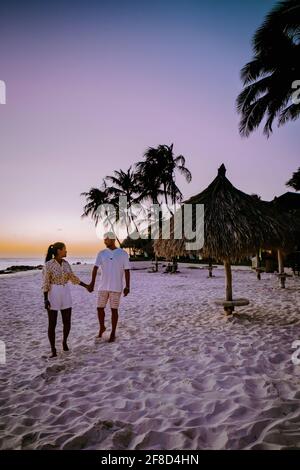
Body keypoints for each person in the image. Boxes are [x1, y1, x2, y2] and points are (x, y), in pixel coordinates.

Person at [42, 242, 91, 357]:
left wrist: (86, 286)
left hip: (65, 292)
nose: (66, 251)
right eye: (65, 249)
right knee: (52, 323)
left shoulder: (66, 263)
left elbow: (72, 278)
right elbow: (45, 283)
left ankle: (64, 342)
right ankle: (53, 349)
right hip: (53, 292)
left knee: (67, 321)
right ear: (59, 251)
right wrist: (45, 299)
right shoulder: (48, 265)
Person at [88, 232, 130, 342]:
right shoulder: (101, 253)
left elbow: (127, 270)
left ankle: (113, 332)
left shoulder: (123, 253)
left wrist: (127, 286)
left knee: (114, 310)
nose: (104, 241)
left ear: (112, 239)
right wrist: (92, 283)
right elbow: (95, 268)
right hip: (103, 286)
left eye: (106, 239)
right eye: (104, 239)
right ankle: (102, 327)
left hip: (116, 287)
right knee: (99, 308)